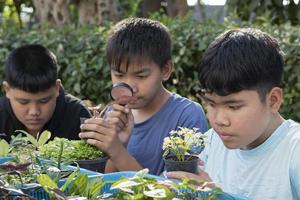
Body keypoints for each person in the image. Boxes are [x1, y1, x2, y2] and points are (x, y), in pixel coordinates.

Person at [166, 28, 300, 199]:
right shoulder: (212, 142)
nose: (219, 120)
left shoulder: (294, 151)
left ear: (273, 100)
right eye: (211, 104)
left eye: (233, 107)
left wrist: (217, 196)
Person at [79, 18, 208, 175]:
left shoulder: (187, 115)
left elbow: (178, 192)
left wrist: (118, 152)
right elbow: (107, 180)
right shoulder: (113, 114)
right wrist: (118, 144)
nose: (129, 88)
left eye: (141, 76)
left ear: (166, 70)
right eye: (119, 75)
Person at [0, 44, 91, 142]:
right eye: (23, 102)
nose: (34, 112)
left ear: (57, 88)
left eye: (44, 100)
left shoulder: (78, 116)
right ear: (7, 90)